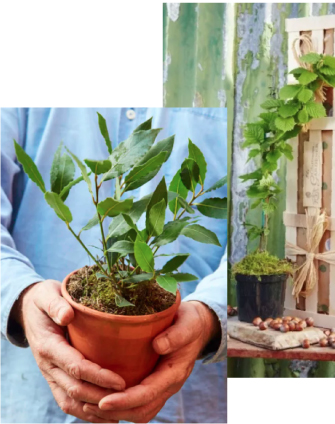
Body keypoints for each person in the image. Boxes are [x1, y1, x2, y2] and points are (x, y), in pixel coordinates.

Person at [1, 108, 227, 423]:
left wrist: (211, 316)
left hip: (191, 402)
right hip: (32, 401)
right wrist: (22, 298)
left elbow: (260, 232)